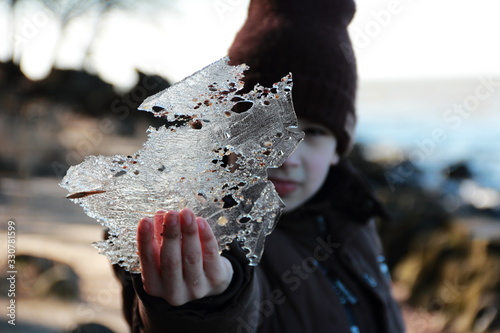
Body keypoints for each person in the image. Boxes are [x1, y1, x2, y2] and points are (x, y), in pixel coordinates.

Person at [111, 0, 406, 332]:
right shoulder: (191, 219)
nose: (287, 157)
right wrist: (209, 306)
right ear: (226, 129)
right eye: (263, 126)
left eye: (314, 132)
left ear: (340, 147)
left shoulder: (355, 215)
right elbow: (235, 301)